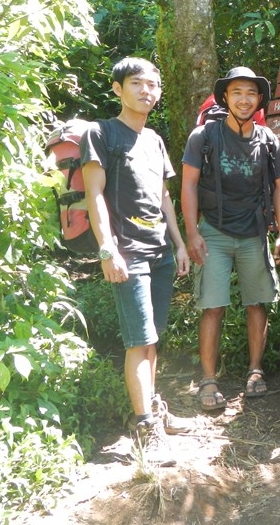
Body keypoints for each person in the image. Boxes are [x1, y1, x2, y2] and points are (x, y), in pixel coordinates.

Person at [81, 57, 192, 459]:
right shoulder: (101, 133)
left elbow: (164, 197)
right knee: (138, 341)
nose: (147, 91)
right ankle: (145, 427)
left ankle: (152, 410)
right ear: (117, 89)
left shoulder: (154, 140)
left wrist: (179, 244)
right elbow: (93, 194)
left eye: (153, 85)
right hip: (127, 254)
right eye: (137, 84)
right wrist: (107, 248)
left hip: (159, 251)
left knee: (152, 341)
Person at [181, 67, 280, 410]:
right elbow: (187, 185)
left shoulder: (268, 140)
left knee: (256, 303)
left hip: (254, 231)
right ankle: (208, 380)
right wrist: (192, 232)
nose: (244, 99)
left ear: (259, 100)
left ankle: (255, 371)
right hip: (214, 230)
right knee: (212, 306)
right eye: (237, 92)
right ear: (225, 98)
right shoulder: (204, 136)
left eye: (251, 93)